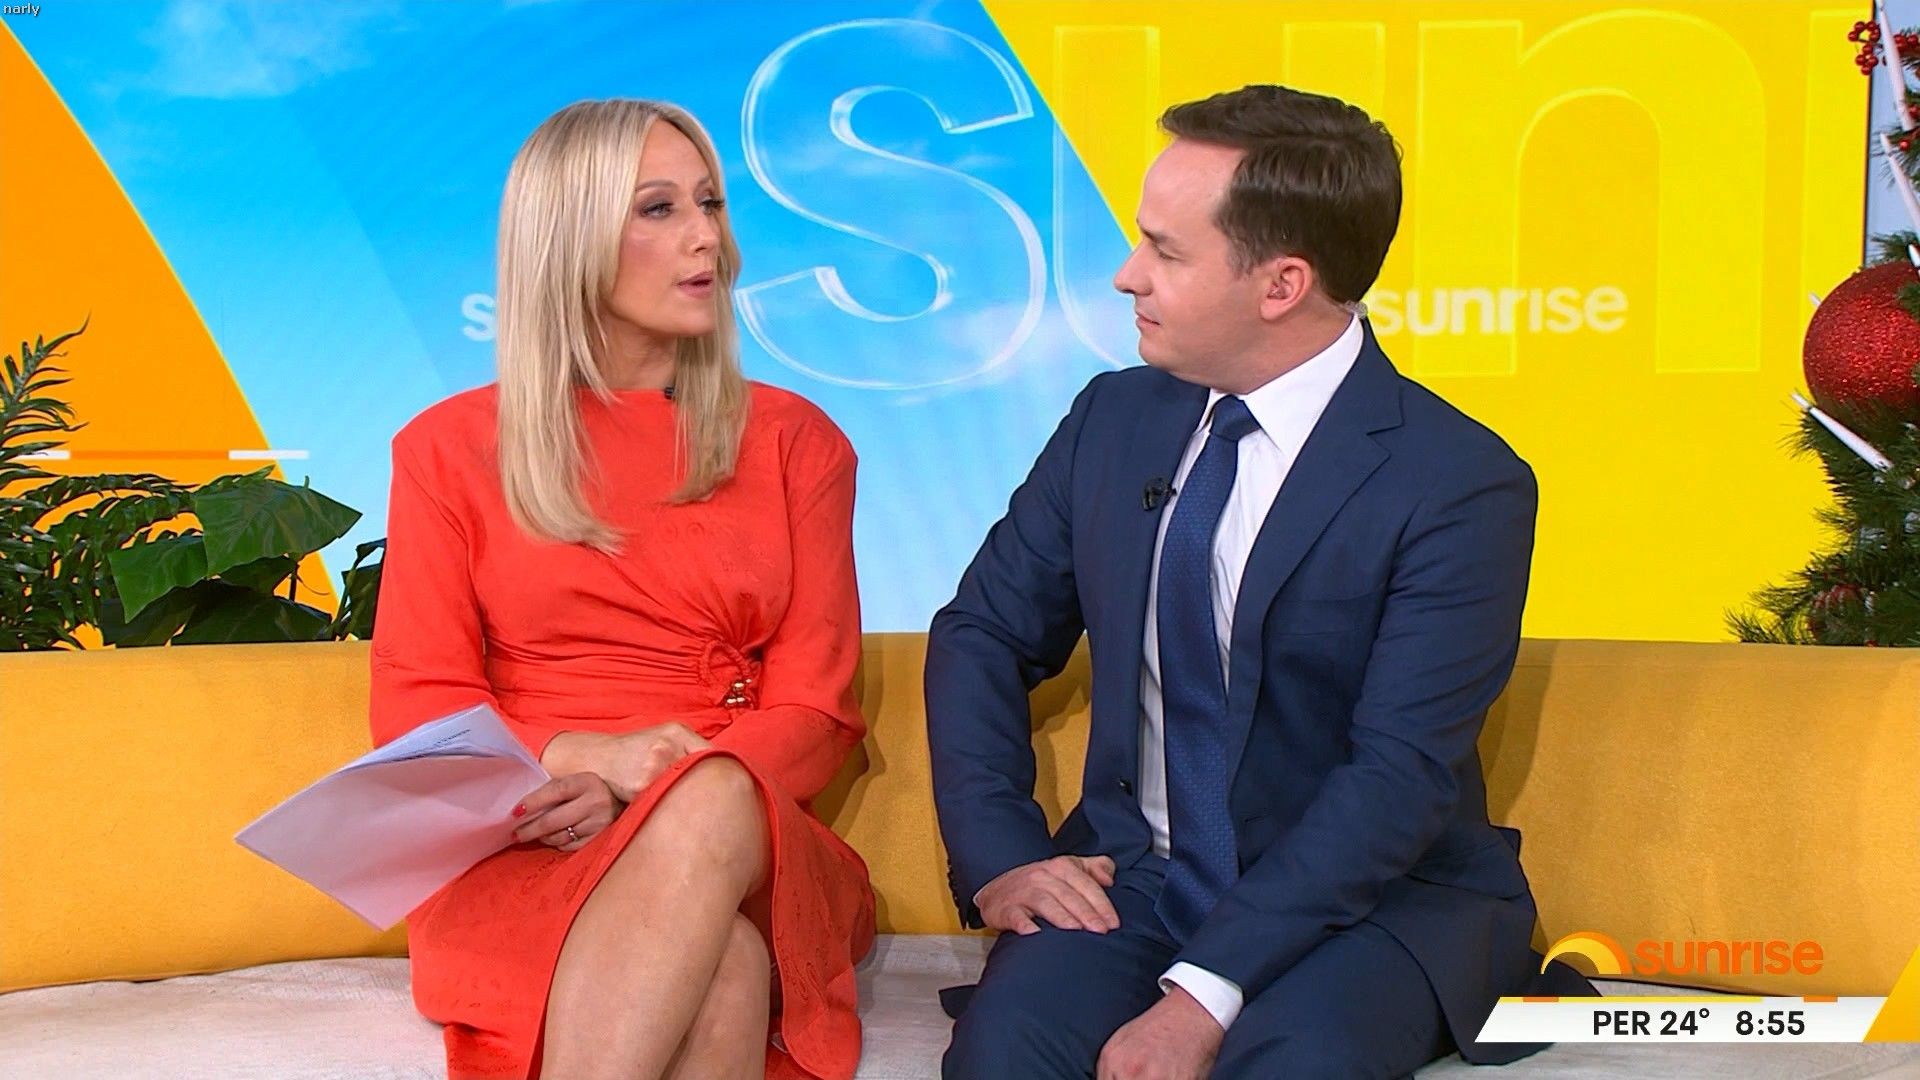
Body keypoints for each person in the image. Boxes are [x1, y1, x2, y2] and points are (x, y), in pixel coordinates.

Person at [925, 84, 1593, 1079]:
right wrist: (1002, 853)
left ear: (1281, 285)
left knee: (1288, 1065)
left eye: (1166, 252)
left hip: (1368, 903)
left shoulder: (1458, 483)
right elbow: (982, 631)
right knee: (1005, 1053)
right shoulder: (1113, 421)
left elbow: (1397, 775)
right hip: (1138, 879)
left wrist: (1202, 998)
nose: (1126, 275)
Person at [369, 98, 873, 1080]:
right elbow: (417, 705)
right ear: (570, 239)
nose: (707, 238)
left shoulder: (797, 441)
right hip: (531, 832)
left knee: (710, 801)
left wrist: (659, 795)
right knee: (723, 970)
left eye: (710, 203)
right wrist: (585, 761)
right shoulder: (445, 449)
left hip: (746, 825)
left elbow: (817, 713)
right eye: (658, 209)